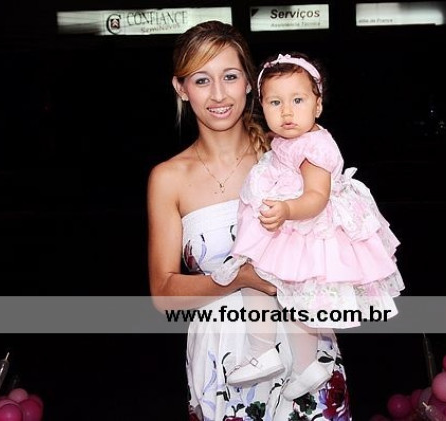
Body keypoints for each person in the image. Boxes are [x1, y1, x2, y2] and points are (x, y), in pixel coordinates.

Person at [147, 21, 352, 420]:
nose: (218, 94)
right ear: (181, 88)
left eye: (229, 76)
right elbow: (164, 295)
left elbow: (341, 246)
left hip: (306, 356)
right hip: (223, 363)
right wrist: (240, 278)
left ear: (248, 83)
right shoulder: (168, 178)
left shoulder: (292, 157)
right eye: (201, 80)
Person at [211, 52, 405, 400]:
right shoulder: (292, 140)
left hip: (306, 227)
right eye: (275, 102)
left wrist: (287, 209)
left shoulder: (314, 146)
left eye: (297, 100)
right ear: (262, 106)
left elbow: (316, 196)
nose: (287, 112)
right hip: (294, 225)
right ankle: (305, 366)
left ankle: (262, 351)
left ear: (318, 105)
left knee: (262, 278)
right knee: (293, 300)